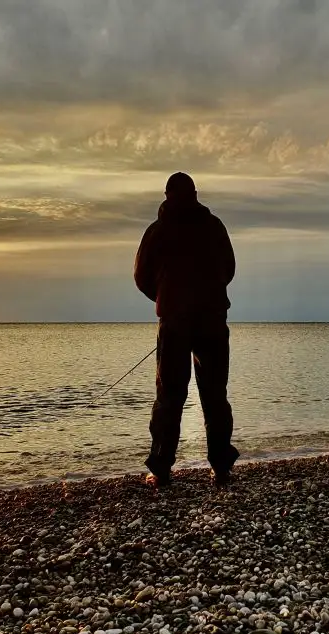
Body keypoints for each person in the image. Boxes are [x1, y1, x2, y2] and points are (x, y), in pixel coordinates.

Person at [134, 172, 239, 488]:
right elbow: (229, 269)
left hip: (179, 323)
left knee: (169, 397)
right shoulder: (214, 226)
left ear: (166, 195)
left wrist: (165, 299)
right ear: (194, 193)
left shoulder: (158, 230)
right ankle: (221, 468)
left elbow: (141, 276)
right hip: (211, 320)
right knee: (214, 395)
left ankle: (162, 469)